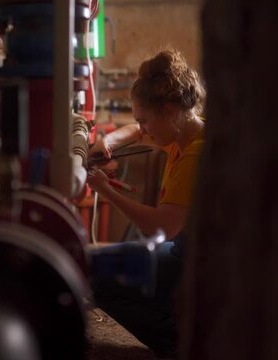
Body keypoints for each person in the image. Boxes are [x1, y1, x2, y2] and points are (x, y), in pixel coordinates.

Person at [87, 49, 206, 358]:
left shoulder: (197, 154)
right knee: (93, 263)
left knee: (95, 274)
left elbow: (163, 227)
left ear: (168, 110)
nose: (144, 128)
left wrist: (106, 191)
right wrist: (109, 142)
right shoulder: (183, 133)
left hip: (195, 263)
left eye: (146, 119)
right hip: (183, 250)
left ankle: (180, 342)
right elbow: (137, 131)